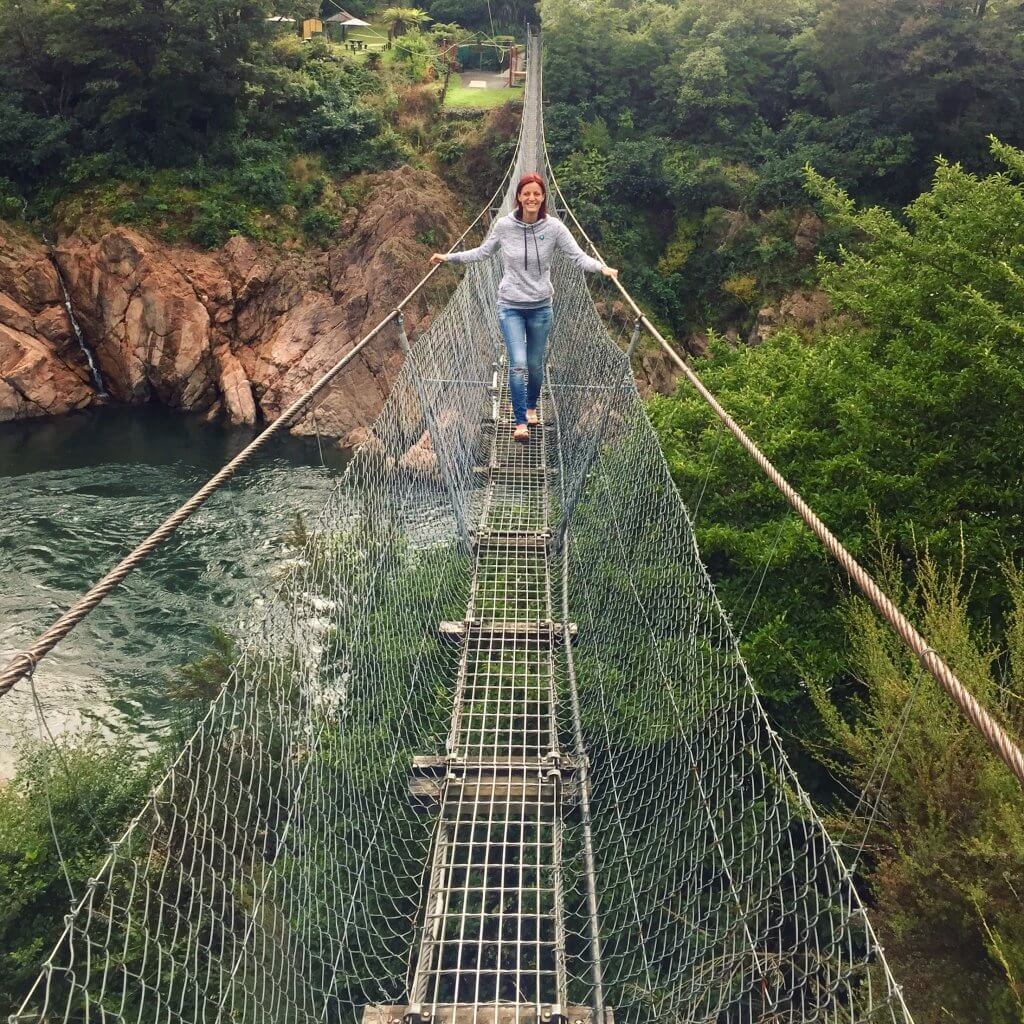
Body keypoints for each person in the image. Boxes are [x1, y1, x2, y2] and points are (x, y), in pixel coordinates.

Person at [431, 173, 618, 442]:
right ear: (518, 196)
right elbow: (483, 252)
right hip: (510, 307)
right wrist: (448, 257)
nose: (531, 198)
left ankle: (531, 409)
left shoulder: (554, 228)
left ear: (543, 198)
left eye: (537, 194)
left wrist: (601, 267)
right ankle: (520, 423)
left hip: (541, 308)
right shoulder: (505, 226)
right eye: (526, 193)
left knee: (535, 365)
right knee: (517, 364)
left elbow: (577, 256)